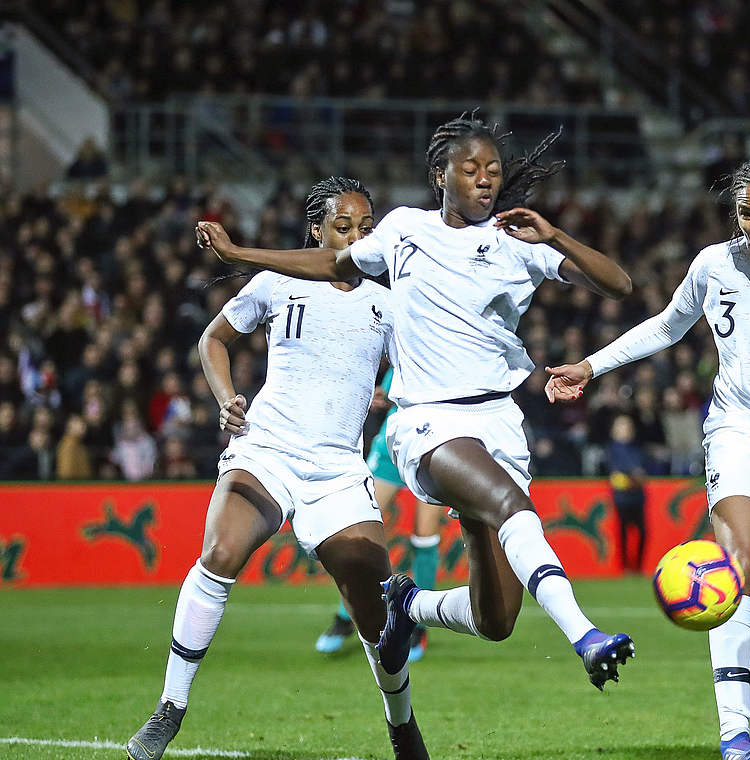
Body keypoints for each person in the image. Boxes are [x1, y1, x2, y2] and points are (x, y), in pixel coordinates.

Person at [195, 114, 637, 697]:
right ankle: (586, 635)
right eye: (471, 169)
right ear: (440, 174)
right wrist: (239, 252)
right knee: (510, 503)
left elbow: (619, 285)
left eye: (494, 171)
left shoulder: (516, 244)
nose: (485, 180)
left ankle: (409, 603)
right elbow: (333, 263)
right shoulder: (405, 229)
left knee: (496, 619)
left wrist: (554, 236)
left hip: (499, 421)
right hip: (430, 423)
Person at [545, 157, 750, 760]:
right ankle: (736, 739)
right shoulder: (713, 264)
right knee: (736, 566)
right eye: (746, 213)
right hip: (737, 430)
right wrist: (590, 366)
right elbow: (667, 327)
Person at [128, 178, 431, 760]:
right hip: (266, 450)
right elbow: (212, 340)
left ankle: (402, 725)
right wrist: (224, 399)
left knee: (371, 604)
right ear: (317, 230)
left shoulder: (388, 302)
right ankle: (170, 708)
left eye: (367, 227)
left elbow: (419, 375)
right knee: (219, 554)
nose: (358, 237)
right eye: (345, 226)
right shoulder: (275, 282)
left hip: (339, 470)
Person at [315, 366, 446, 663]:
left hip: (433, 445)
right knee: (359, 527)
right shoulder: (404, 329)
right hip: (393, 444)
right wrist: (382, 396)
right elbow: (392, 381)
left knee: (425, 537)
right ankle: (347, 615)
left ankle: (417, 624)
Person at [606, 413, 648, 574]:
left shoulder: (637, 448)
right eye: (621, 425)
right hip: (622, 498)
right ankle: (625, 567)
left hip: (638, 497)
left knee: (642, 531)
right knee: (623, 531)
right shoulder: (611, 449)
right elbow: (617, 473)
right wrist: (633, 475)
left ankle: (637, 566)